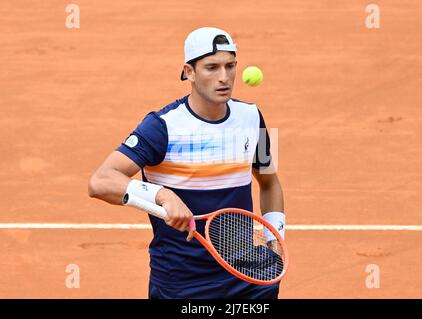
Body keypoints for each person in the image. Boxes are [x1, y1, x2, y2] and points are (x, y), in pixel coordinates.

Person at [88, 27, 285, 299]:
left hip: (248, 276)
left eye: (230, 66)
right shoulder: (162, 127)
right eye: (212, 67)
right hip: (183, 283)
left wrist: (276, 239)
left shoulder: (251, 117)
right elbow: (100, 181)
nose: (224, 77)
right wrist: (162, 194)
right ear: (189, 72)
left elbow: (269, 182)